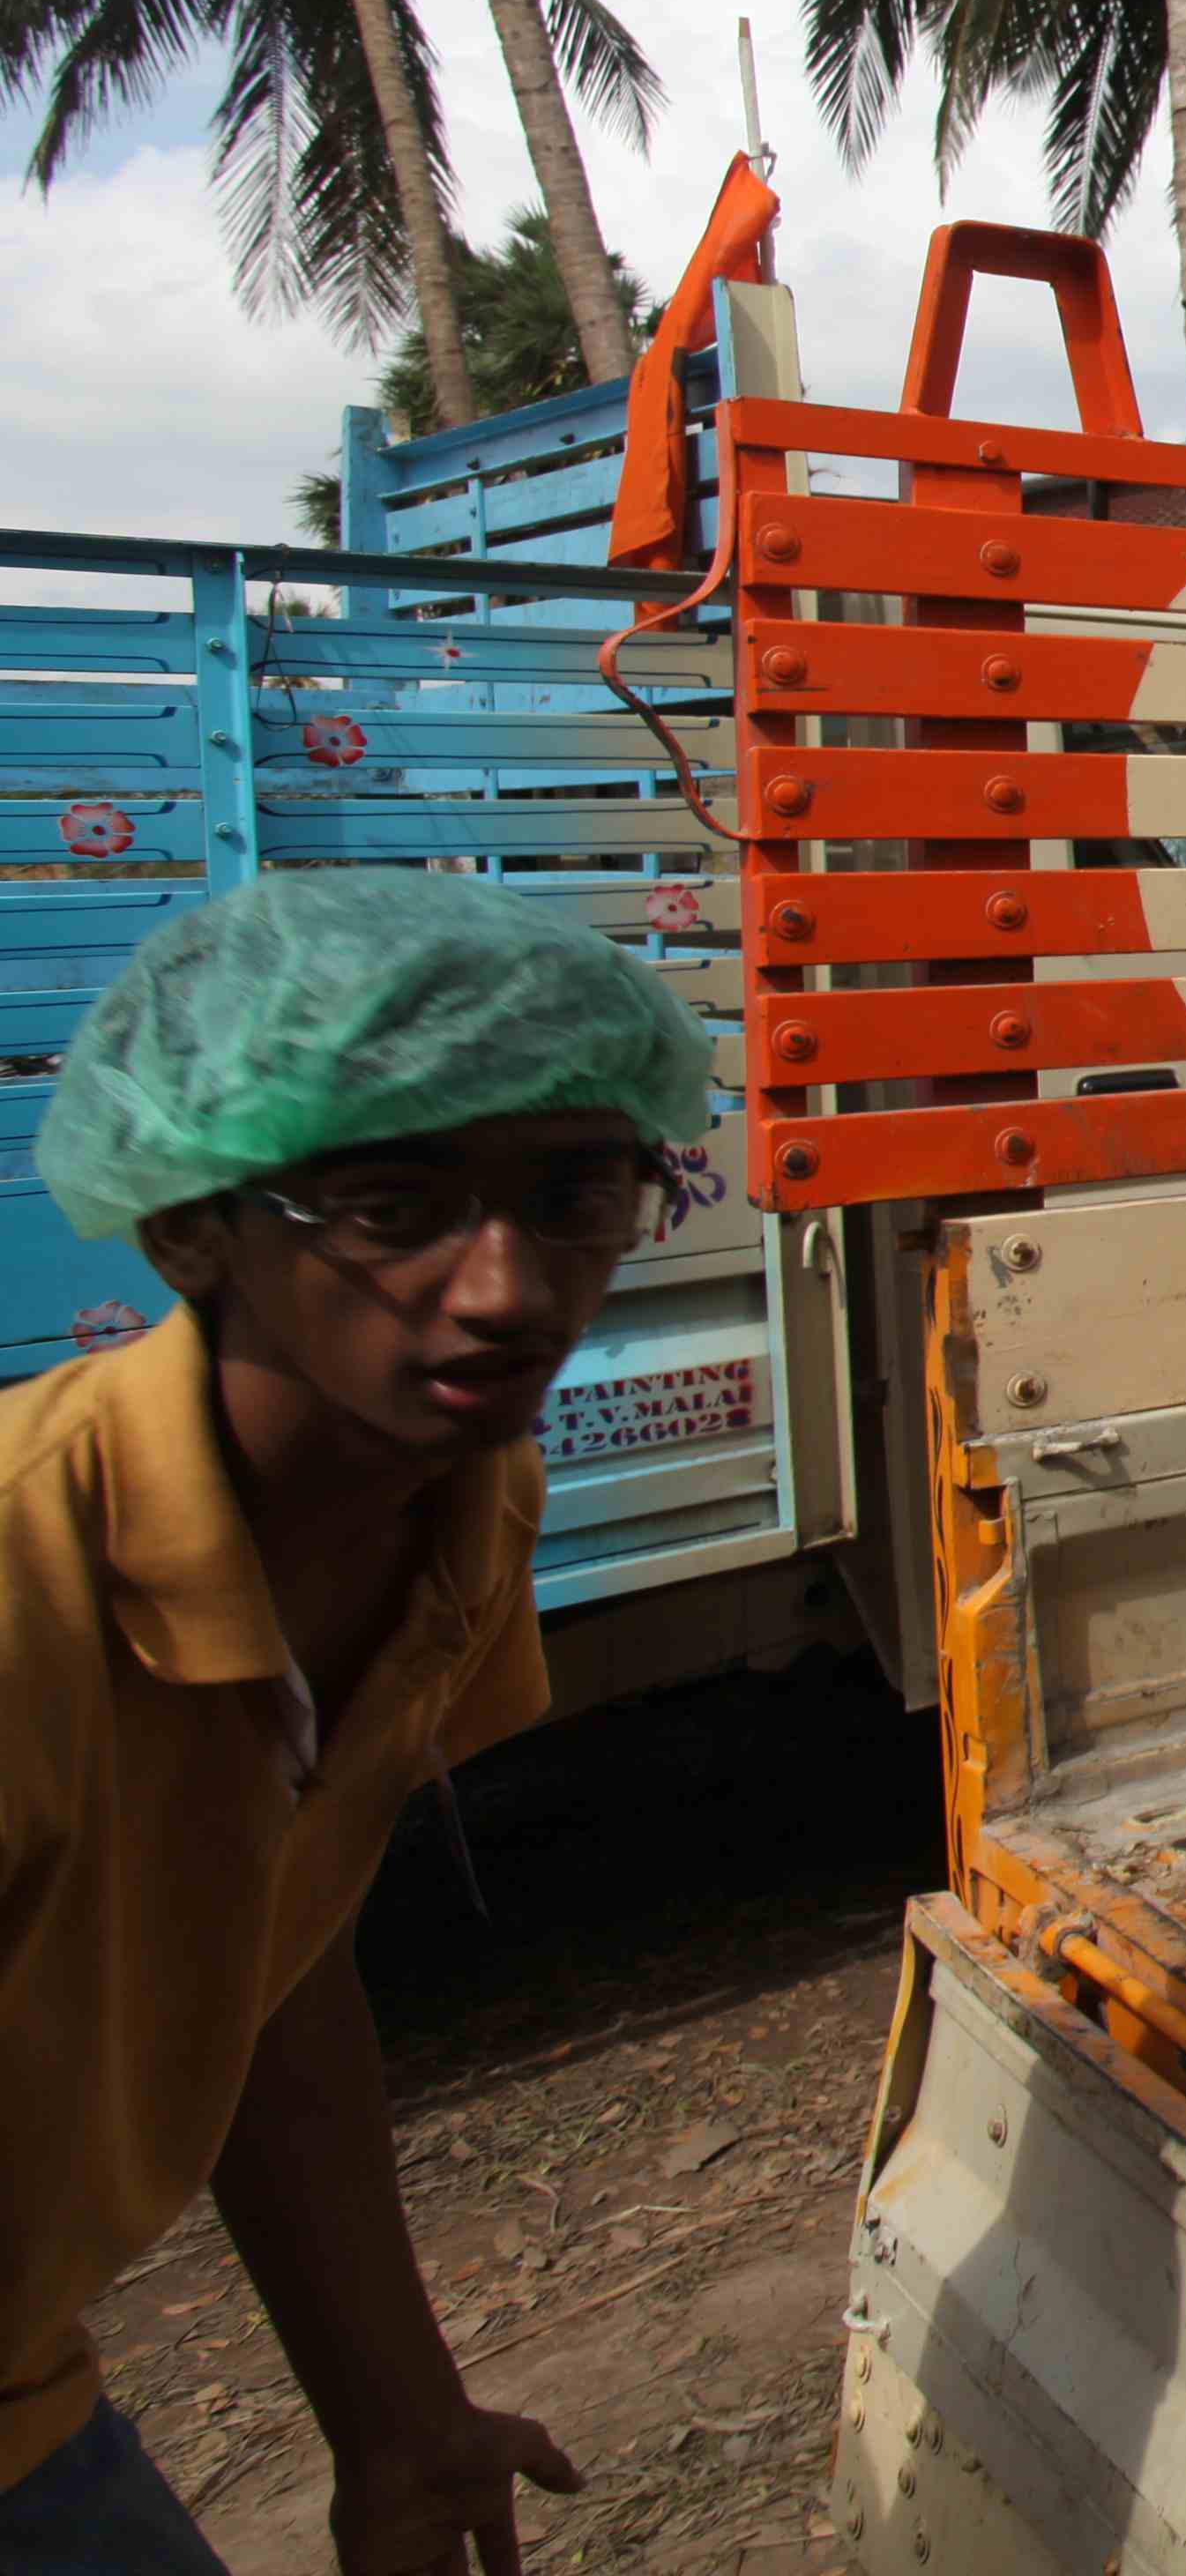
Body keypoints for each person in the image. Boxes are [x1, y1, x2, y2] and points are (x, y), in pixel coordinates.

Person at [2, 871, 712, 2572]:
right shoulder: (22, 1582)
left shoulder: (459, 1497)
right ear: (188, 1226)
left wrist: (395, 2414)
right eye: (393, 1205)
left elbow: (266, 1948)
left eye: (575, 1193)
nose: (507, 1288)